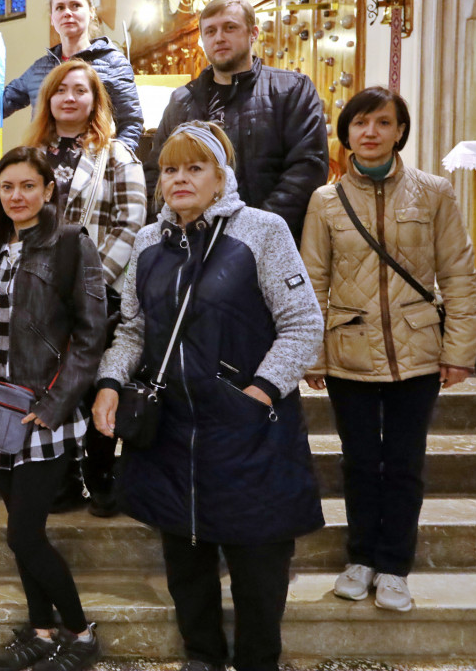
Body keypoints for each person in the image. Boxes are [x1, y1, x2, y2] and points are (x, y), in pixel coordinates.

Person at [92, 121, 324, 671]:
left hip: (248, 433)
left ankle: (257, 662)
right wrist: (109, 382)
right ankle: (202, 656)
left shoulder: (262, 231)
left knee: (258, 568)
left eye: (195, 168)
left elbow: (303, 323)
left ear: (222, 177)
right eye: (170, 169)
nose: (180, 179)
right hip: (172, 433)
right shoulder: (148, 242)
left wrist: (259, 393)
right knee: (186, 560)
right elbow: (133, 330)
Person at [300, 87, 476, 613]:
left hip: (417, 349)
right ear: (346, 133)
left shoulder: (434, 192)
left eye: (382, 122)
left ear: (400, 131)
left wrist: (460, 349)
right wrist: (313, 354)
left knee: (404, 464)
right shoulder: (325, 200)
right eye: (360, 123)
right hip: (350, 349)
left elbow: (458, 275)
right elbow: (311, 280)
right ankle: (360, 559)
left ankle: (395, 566)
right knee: (359, 463)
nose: (371, 132)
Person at [0, 146, 108, 671]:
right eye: (7, 187)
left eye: (27, 185)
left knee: (23, 534)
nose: (16, 196)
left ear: (48, 190)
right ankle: (41, 630)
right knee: (25, 538)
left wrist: (55, 403)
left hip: (42, 416)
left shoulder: (70, 243)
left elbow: (91, 335)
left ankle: (81, 633)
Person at [23, 59, 147, 517]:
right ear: (48, 99)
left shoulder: (116, 154)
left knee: (94, 384)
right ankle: (61, 478)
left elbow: (131, 222)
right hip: (40, 290)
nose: (69, 98)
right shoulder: (32, 154)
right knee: (49, 382)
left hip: (98, 291)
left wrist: (90, 286)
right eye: (60, 90)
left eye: (80, 90)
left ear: (95, 100)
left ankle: (100, 475)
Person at [144, 0, 328, 241]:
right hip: (192, 242)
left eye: (230, 28)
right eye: (210, 31)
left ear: (253, 33)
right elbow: (156, 174)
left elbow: (307, 169)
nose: (219, 38)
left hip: (266, 242)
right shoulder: (182, 101)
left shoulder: (292, 89)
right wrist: (172, 231)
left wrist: (251, 233)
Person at [3, 0, 143, 153]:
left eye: (75, 5)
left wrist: (115, 161)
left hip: (93, 161)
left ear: (91, 12)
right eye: (60, 8)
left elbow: (131, 122)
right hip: (43, 163)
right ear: (52, 19)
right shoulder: (40, 68)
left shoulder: (113, 62)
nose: (67, 13)